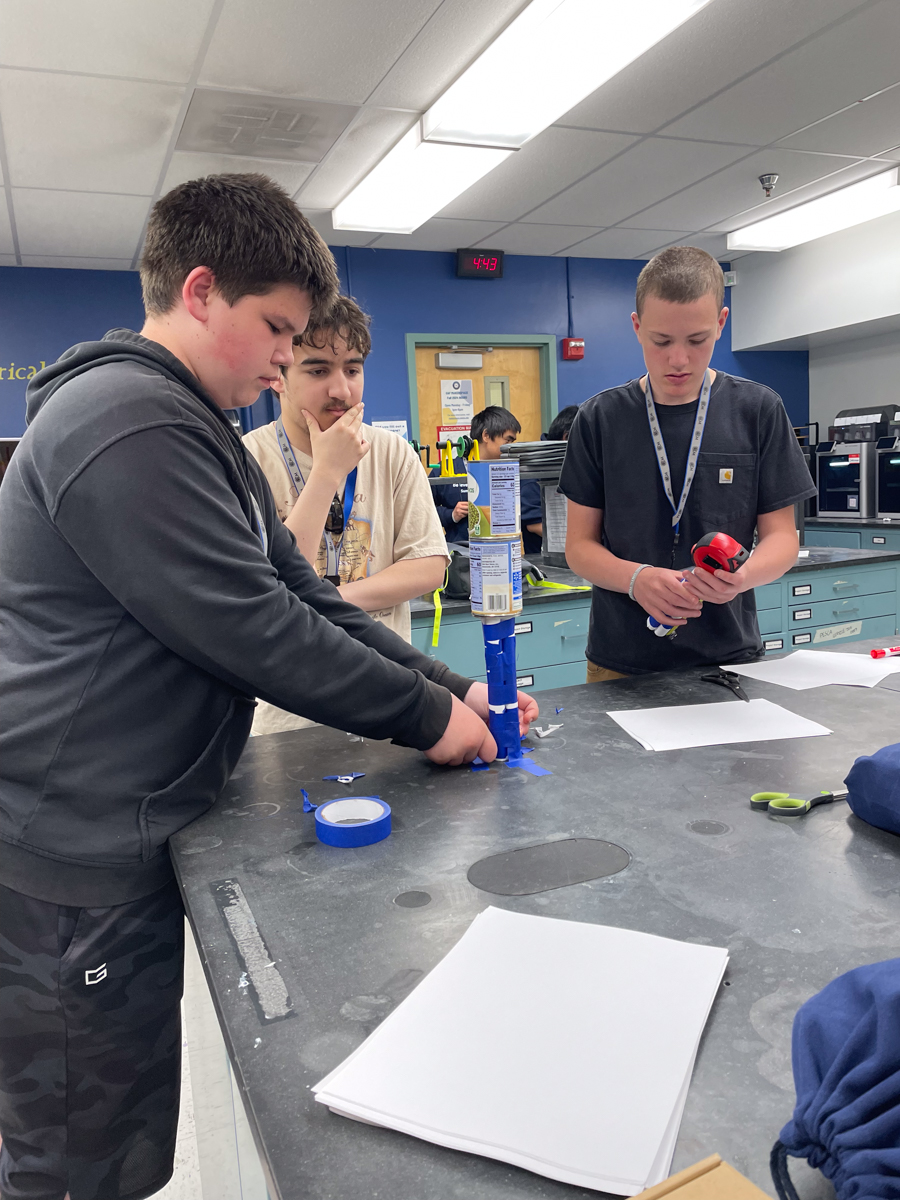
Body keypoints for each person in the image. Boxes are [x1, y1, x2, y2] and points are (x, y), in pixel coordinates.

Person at [0, 173, 536, 1200]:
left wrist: (452, 687)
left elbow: (304, 596)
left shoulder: (201, 434)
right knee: (74, 1162)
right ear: (201, 292)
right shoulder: (126, 422)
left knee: (117, 1147)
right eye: (280, 330)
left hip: (126, 830)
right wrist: (429, 719)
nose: (290, 358)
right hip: (70, 855)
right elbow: (255, 632)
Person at [559, 245, 815, 682]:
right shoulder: (600, 419)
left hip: (729, 659)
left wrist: (743, 576)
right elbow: (579, 547)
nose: (678, 359)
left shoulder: (757, 410)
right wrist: (636, 579)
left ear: (721, 323)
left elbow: (782, 538)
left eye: (697, 340)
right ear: (637, 327)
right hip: (621, 663)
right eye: (661, 341)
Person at [242, 295, 450, 734]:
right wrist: (327, 472)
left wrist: (328, 603)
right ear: (280, 375)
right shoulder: (247, 459)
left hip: (386, 695)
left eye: (352, 370)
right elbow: (268, 585)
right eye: (318, 371)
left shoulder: (392, 453)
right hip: (286, 713)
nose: (341, 390)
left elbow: (429, 565)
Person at [431, 406, 543, 556]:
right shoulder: (445, 470)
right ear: (486, 435)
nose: (511, 447)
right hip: (459, 557)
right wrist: (451, 514)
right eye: (508, 440)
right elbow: (422, 512)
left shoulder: (511, 471)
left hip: (503, 556)